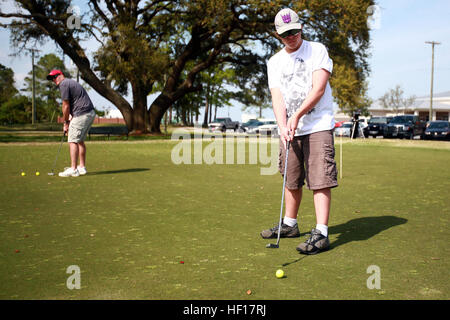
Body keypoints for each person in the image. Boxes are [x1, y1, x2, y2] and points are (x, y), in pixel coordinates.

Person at [260, 8, 338, 254]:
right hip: (290, 129)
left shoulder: (317, 50)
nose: (291, 36)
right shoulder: (274, 62)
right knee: (290, 176)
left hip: (318, 125)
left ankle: (321, 233)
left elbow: (318, 89)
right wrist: (283, 125)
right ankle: (290, 224)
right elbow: (277, 97)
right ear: (277, 34)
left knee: (319, 178)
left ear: (301, 27)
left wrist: (296, 116)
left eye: (294, 31)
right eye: (285, 34)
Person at [47, 69, 96, 177]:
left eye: (55, 77)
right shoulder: (70, 83)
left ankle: (73, 169)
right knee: (80, 140)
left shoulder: (64, 84)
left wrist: (65, 122)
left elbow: (65, 106)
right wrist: (69, 120)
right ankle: (82, 167)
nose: (54, 80)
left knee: (72, 140)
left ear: (61, 75)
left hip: (82, 114)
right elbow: (72, 104)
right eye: (52, 78)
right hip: (89, 113)